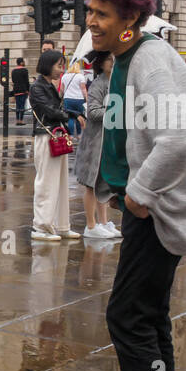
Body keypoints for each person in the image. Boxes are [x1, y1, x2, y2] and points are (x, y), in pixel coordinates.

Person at [85, 0, 186, 371]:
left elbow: (178, 140)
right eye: (89, 11)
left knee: (128, 316)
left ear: (131, 16)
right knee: (149, 317)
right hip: (147, 207)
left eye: (101, 14)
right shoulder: (127, 57)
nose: (91, 21)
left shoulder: (151, 61)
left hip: (156, 211)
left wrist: (138, 194)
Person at [28, 49, 79, 241]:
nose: (62, 69)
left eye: (62, 65)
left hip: (56, 136)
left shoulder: (50, 85)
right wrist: (70, 115)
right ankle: (41, 226)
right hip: (46, 136)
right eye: (59, 65)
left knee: (61, 182)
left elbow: (55, 109)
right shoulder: (37, 87)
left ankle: (61, 225)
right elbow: (48, 111)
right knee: (46, 182)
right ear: (48, 65)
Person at [74, 51, 120, 239]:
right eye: (109, 59)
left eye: (114, 58)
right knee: (91, 184)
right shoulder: (98, 84)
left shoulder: (114, 82)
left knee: (103, 183)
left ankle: (103, 222)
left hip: (107, 139)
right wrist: (115, 111)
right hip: (95, 141)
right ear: (101, 63)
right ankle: (91, 226)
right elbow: (92, 111)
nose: (113, 61)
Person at [60, 58, 88, 136]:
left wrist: (60, 98)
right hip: (79, 100)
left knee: (70, 118)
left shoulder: (64, 76)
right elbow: (83, 89)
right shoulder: (80, 76)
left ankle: (71, 135)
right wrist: (87, 99)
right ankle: (79, 134)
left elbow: (62, 90)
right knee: (79, 116)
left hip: (67, 99)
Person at [11, 57, 30, 124]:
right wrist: (28, 90)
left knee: (17, 106)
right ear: (21, 62)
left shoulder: (13, 71)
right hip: (23, 90)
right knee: (22, 105)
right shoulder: (25, 70)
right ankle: (21, 120)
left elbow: (13, 81)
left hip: (16, 90)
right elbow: (27, 81)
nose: (24, 63)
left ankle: (17, 120)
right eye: (23, 61)